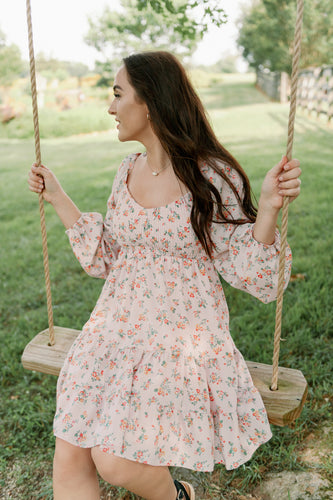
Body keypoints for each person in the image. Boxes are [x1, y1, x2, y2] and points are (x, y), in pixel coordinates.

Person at [28, 51, 301, 500]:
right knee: (72, 448)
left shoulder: (212, 176)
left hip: (181, 337)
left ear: (150, 103)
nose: (111, 107)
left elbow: (256, 273)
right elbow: (109, 257)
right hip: (112, 329)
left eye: (118, 95)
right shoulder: (126, 171)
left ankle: (178, 497)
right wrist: (57, 196)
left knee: (115, 462)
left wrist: (268, 209)